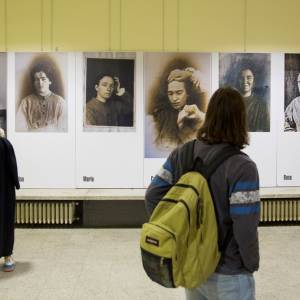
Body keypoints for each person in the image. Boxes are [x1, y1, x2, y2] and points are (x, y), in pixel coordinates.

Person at [145, 87, 260, 300]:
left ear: (210, 115)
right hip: (229, 273)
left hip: (194, 269)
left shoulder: (183, 153)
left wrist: (178, 234)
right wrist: (251, 263)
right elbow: (245, 225)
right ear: (240, 120)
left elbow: (153, 195)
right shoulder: (243, 167)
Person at [146, 67, 206, 157]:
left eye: (179, 93)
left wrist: (192, 74)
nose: (174, 98)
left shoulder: (197, 115)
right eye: (170, 93)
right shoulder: (160, 118)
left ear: (187, 93)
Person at [16, 62, 67, 132]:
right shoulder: (26, 102)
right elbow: (19, 128)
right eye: (37, 79)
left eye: (43, 79)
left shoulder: (60, 102)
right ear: (34, 82)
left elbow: (64, 129)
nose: (40, 83)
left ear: (50, 81)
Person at [0, 128, 20, 272]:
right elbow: (12, 166)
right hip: (4, 192)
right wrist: (16, 184)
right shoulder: (5, 145)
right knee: (6, 223)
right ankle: (7, 257)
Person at [237, 67, 269, 132]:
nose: (245, 81)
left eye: (248, 78)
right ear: (238, 81)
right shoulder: (230, 103)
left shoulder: (261, 105)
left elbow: (266, 129)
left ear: (254, 81)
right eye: (242, 78)